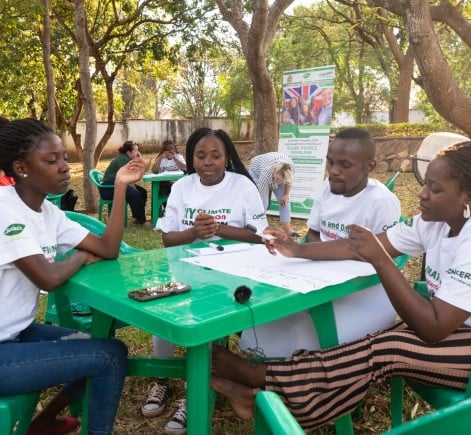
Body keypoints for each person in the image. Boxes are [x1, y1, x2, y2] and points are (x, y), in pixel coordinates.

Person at [211, 140, 471, 432]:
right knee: (367, 351)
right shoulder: (432, 222)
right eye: (426, 183)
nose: (422, 193)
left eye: (435, 189)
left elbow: (433, 328)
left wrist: (381, 261)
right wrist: (296, 251)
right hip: (450, 331)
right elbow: (354, 247)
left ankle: (260, 376)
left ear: (467, 197)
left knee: (389, 348)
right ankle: (258, 399)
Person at [0, 118, 148, 434]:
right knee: (107, 358)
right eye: (51, 160)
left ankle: (42, 423)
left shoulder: (50, 213)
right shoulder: (5, 209)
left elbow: (108, 248)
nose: (65, 167)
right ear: (21, 167)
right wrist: (81, 256)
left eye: (64, 157)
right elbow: (48, 278)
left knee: (102, 346)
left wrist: (120, 185)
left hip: (17, 333)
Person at [142, 128, 268, 433]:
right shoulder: (182, 188)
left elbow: (259, 236)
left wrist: (220, 229)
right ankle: (162, 380)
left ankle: (194, 390)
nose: (208, 162)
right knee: (166, 309)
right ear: (191, 158)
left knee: (203, 314)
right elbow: (168, 240)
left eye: (215, 155)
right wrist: (195, 233)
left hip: (231, 274)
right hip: (184, 269)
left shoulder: (242, 186)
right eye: (200, 155)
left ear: (227, 157)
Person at [239, 128, 401, 357]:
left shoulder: (381, 202)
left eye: (345, 165)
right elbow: (314, 233)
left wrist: (309, 254)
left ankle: (281, 374)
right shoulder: (328, 187)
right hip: (321, 279)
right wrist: (308, 252)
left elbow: (384, 259)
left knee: (296, 331)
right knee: (272, 312)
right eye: (331, 162)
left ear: (369, 167)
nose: (334, 171)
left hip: (360, 294)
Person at [100, 140, 149, 226]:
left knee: (142, 192)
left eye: (138, 150)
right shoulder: (122, 160)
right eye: (136, 150)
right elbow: (129, 180)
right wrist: (134, 190)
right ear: (128, 151)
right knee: (136, 194)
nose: (138, 152)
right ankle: (142, 221)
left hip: (116, 185)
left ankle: (136, 217)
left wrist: (138, 159)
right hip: (108, 188)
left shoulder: (128, 159)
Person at [248, 152, 297, 237]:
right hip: (256, 170)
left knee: (285, 201)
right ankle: (260, 226)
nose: (278, 183)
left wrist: (285, 195)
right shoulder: (266, 172)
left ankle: (288, 230)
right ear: (274, 172)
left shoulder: (290, 169)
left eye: (281, 181)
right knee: (263, 202)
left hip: (275, 170)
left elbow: (288, 182)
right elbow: (259, 195)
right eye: (277, 179)